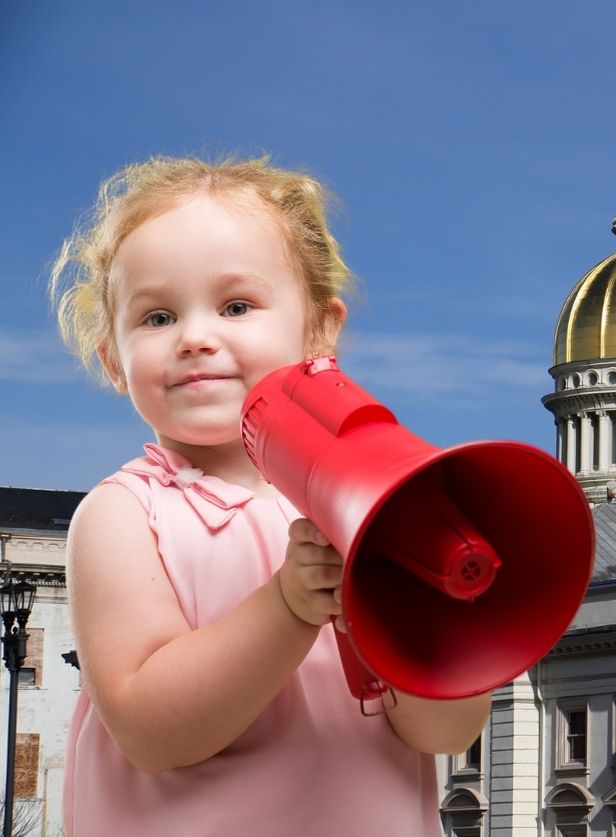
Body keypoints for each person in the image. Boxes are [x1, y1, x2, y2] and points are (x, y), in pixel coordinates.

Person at [50, 156, 491, 837]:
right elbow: (150, 730)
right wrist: (287, 607)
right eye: (158, 316)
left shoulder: (371, 506)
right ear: (113, 358)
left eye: (236, 306)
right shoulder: (124, 515)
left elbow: (446, 731)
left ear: (320, 330)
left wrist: (412, 625)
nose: (197, 337)